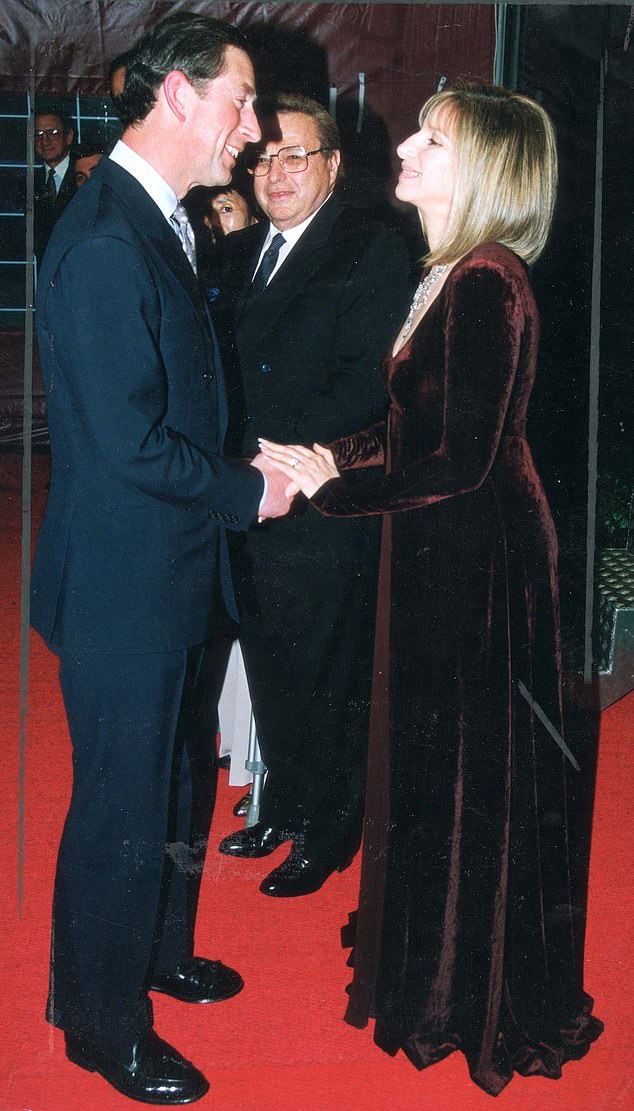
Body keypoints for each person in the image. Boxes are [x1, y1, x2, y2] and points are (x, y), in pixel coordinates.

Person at [258, 82, 603, 1094]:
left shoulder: (487, 280)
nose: (404, 143)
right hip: (444, 552)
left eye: (432, 137)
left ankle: (462, 990)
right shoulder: (453, 271)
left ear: (484, 167)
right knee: (441, 768)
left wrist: (331, 492)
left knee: (465, 771)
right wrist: (325, 453)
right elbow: (413, 430)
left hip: (477, 561)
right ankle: (436, 965)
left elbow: (454, 461)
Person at [31, 13, 291, 1105]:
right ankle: (99, 1019)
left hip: (175, 572)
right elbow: (128, 439)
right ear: (177, 96)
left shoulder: (157, 217)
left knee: (179, 785)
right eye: (240, 99)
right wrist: (250, 488)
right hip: (126, 588)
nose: (255, 125)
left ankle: (156, 949)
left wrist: (241, 456)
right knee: (123, 804)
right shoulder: (102, 239)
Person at [217, 93, 410, 897]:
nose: (276, 173)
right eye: (263, 158)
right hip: (244, 499)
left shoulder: (370, 249)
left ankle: (327, 831)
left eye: (296, 156)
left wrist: (272, 459)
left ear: (332, 165)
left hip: (316, 500)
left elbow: (362, 382)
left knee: (324, 674)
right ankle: (283, 802)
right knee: (267, 665)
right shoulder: (234, 254)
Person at [33, 106, 76, 262]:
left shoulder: (85, 176)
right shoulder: (30, 184)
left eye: (53, 133)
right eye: (38, 134)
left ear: (69, 136)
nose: (44, 141)